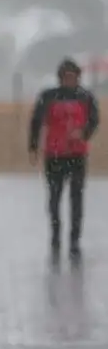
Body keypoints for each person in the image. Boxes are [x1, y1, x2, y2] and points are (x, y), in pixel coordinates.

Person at [29, 58, 100, 258]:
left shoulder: (85, 97)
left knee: (76, 199)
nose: (70, 80)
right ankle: (55, 237)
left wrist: (84, 133)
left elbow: (94, 120)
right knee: (54, 199)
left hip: (77, 155)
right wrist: (33, 146)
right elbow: (36, 121)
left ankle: (75, 240)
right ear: (60, 78)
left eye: (74, 77)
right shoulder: (48, 96)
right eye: (67, 77)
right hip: (55, 155)